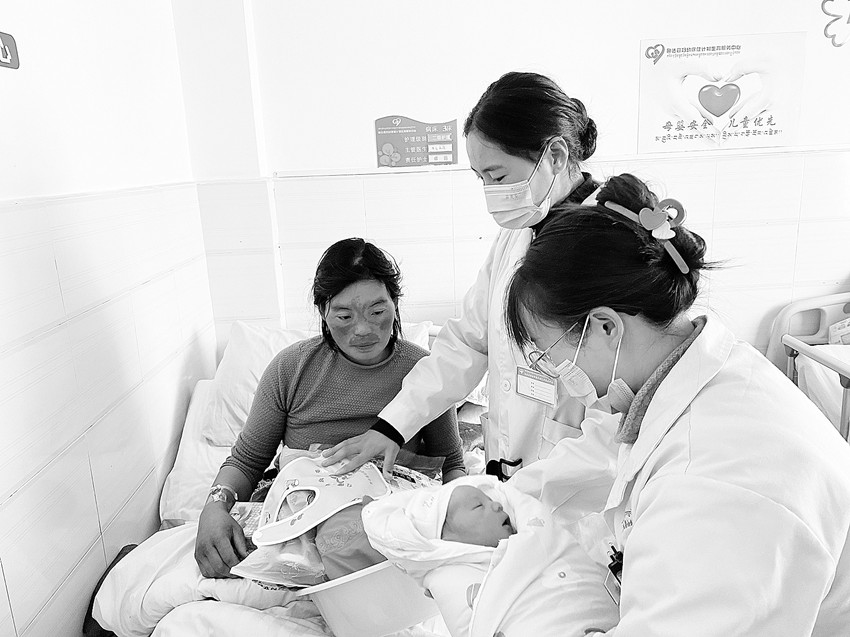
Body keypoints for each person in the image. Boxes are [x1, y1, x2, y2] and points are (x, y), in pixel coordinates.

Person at [503, 173, 850, 635]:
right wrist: (491, 500)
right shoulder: (692, 375)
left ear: (605, 327)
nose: (555, 372)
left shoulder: (714, 485)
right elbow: (601, 450)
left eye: (550, 353)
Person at [323, 71, 617, 484]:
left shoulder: (609, 243)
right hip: (511, 465)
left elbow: (618, 384)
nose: (490, 192)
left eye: (498, 176)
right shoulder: (517, 235)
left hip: (576, 471)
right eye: (481, 179)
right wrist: (392, 427)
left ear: (555, 155)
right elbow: (468, 342)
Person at [195, 238, 466, 579]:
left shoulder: (424, 372)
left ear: (395, 305)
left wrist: (460, 513)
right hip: (305, 509)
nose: (363, 329)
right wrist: (214, 508)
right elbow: (247, 461)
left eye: (377, 312)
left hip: (393, 508)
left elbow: (451, 464)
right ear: (323, 311)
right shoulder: (290, 369)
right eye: (344, 315)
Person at [362, 475, 618, 637]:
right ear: (447, 541)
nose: (497, 505)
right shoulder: (448, 580)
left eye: (490, 500)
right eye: (478, 505)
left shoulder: (529, 537)